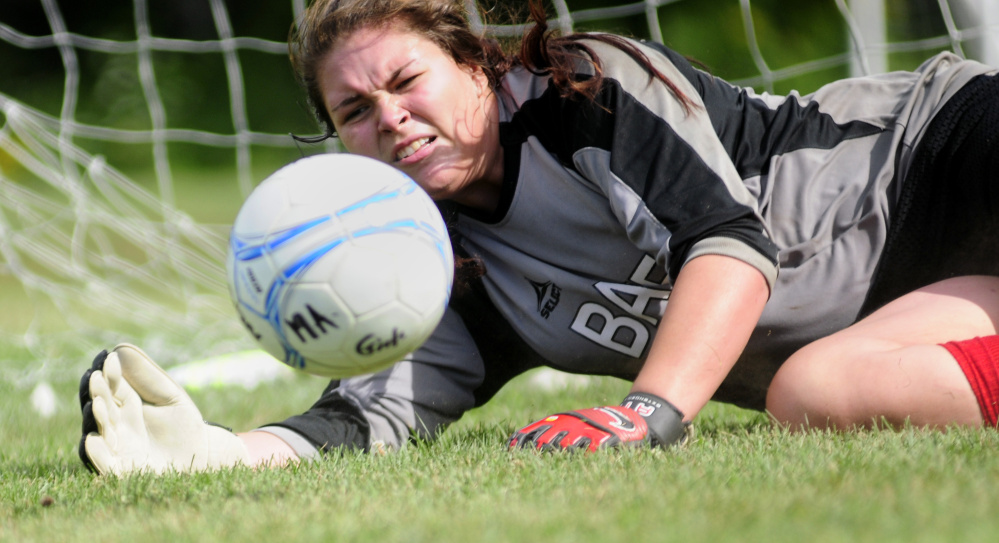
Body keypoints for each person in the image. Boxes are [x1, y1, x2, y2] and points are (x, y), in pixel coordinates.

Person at [78, 0, 999, 474]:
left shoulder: (585, 88)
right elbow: (372, 414)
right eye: (355, 110)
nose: (391, 118)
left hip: (947, 152)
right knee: (816, 392)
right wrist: (221, 452)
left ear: (476, 60)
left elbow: (728, 243)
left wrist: (645, 413)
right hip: (920, 299)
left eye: (407, 80)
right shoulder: (430, 263)